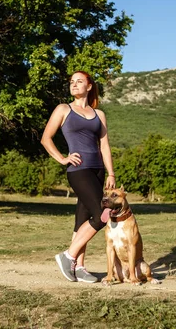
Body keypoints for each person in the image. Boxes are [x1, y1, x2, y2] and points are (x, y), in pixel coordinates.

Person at [41, 70, 116, 283]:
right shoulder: (63, 109)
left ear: (89, 86)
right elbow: (46, 138)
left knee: (82, 219)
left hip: (98, 169)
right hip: (79, 170)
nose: (74, 85)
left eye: (79, 81)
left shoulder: (98, 114)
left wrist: (111, 172)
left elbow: (104, 145)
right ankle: (69, 255)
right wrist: (62, 158)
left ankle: (80, 267)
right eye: (72, 82)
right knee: (103, 214)